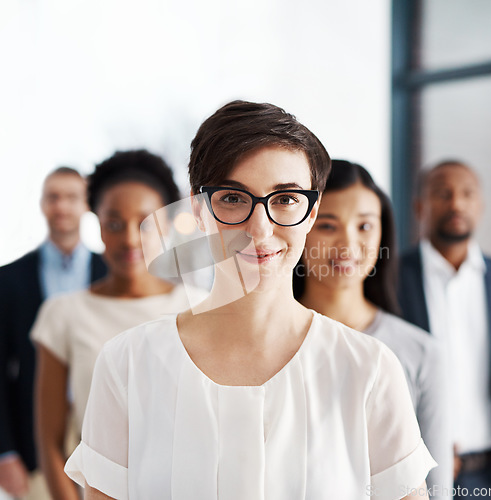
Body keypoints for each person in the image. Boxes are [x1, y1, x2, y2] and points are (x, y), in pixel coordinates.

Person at [65, 101, 435, 500]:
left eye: (286, 199)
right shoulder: (128, 363)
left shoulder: (369, 370)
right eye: (233, 198)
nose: (260, 229)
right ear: (198, 209)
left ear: (312, 212)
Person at [31, 150, 207, 500]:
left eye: (144, 223)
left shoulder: (201, 306)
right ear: (96, 224)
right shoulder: (63, 314)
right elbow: (50, 440)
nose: (129, 239)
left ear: (167, 225)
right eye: (114, 223)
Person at [295, 160, 453, 499]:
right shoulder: (265, 340)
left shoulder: (421, 353)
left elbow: (437, 489)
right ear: (299, 229)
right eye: (327, 226)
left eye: (365, 226)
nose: (348, 245)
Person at [0, 167, 106, 499]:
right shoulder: (9, 280)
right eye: (53, 197)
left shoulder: (112, 273)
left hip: (104, 434)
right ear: (43, 205)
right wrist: (4, 454)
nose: (61, 206)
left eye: (71, 197)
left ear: (86, 205)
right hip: (33, 439)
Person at [398, 160, 491, 498]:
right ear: (419, 207)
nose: (456, 203)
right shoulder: (391, 278)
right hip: (420, 471)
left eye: (467, 193)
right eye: (443, 193)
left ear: (480, 205)